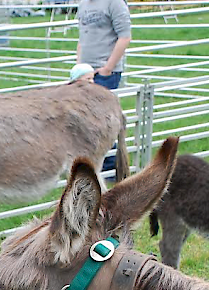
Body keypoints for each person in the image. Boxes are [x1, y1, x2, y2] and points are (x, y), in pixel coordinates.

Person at [76, 0, 131, 174]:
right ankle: (95, 165)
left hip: (104, 71)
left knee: (103, 121)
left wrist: (108, 68)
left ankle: (110, 168)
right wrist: (79, 67)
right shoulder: (83, 4)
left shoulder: (114, 3)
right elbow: (82, 38)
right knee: (87, 119)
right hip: (85, 73)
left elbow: (125, 36)